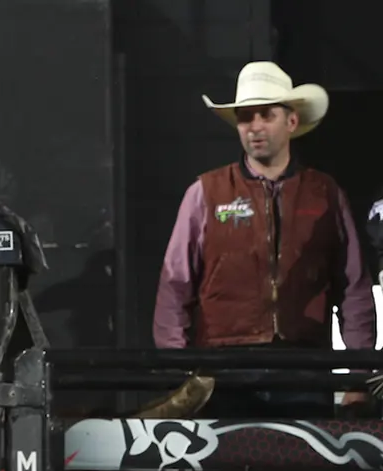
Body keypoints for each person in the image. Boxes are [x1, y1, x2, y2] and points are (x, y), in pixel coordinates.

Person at [153, 62, 374, 366]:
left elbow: (354, 287)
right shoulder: (205, 192)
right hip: (222, 363)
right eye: (245, 117)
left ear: (292, 121)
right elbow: (175, 286)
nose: (255, 126)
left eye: (267, 114)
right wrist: (176, 366)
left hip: (305, 362)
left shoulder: (325, 193)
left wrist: (360, 375)